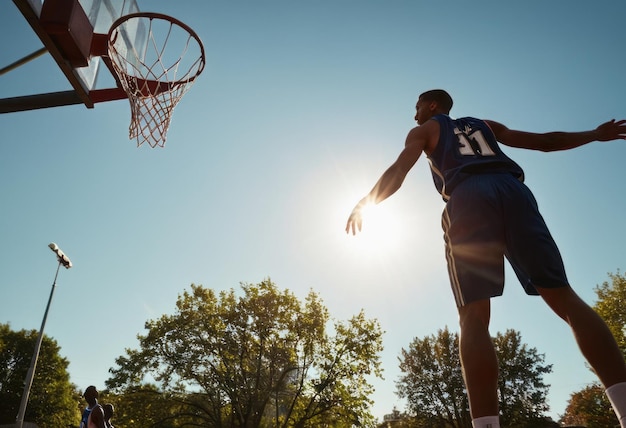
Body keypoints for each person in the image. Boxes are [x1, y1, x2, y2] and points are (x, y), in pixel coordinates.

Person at [345, 89, 626, 428]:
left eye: (417, 106)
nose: (414, 114)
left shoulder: (425, 131)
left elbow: (401, 167)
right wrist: (595, 135)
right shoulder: (486, 126)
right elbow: (545, 142)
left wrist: (367, 201)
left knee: (473, 316)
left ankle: (486, 425)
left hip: (468, 197)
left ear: (432, 106)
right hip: (514, 192)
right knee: (563, 297)